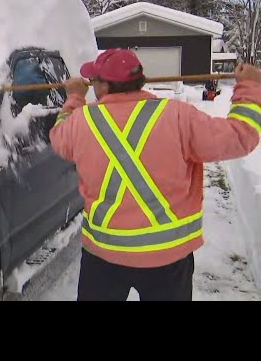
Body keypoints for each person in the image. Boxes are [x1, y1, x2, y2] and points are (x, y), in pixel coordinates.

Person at [49, 48, 261, 301]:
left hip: (104, 255)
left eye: (94, 80)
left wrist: (74, 97)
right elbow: (240, 136)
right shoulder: (178, 116)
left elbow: (59, 136)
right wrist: (250, 87)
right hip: (168, 258)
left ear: (104, 87)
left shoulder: (80, 122)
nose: (92, 85)